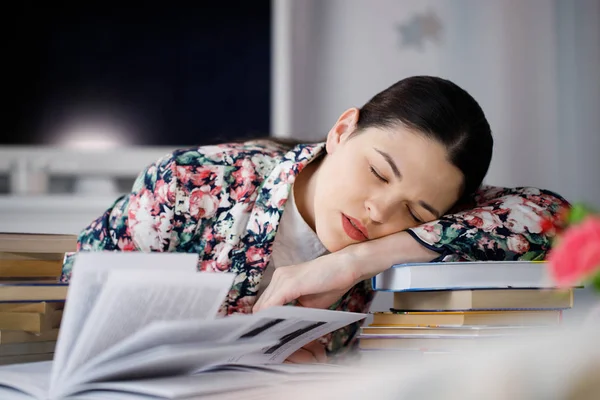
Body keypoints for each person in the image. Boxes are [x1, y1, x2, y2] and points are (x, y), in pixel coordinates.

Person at [62, 76, 568, 362]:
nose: (379, 211)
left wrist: (361, 261)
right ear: (344, 129)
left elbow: (556, 217)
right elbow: (71, 297)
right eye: (377, 172)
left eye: (416, 211)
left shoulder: (390, 237)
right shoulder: (192, 184)